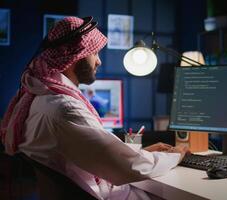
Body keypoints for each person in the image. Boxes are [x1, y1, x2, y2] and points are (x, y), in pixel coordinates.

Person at [0, 16, 189, 199]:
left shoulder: (40, 99)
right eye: (94, 53)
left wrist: (144, 153)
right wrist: (176, 156)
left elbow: (99, 151)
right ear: (76, 54)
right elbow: (129, 167)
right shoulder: (64, 109)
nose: (98, 61)